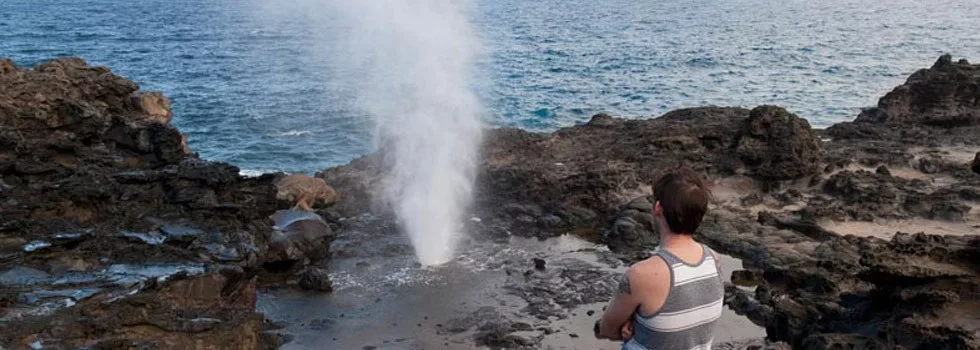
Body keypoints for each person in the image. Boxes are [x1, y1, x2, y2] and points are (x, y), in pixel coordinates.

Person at [594, 167, 724, 350]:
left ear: (657, 208)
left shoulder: (641, 274)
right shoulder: (714, 260)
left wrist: (616, 326)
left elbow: (607, 330)